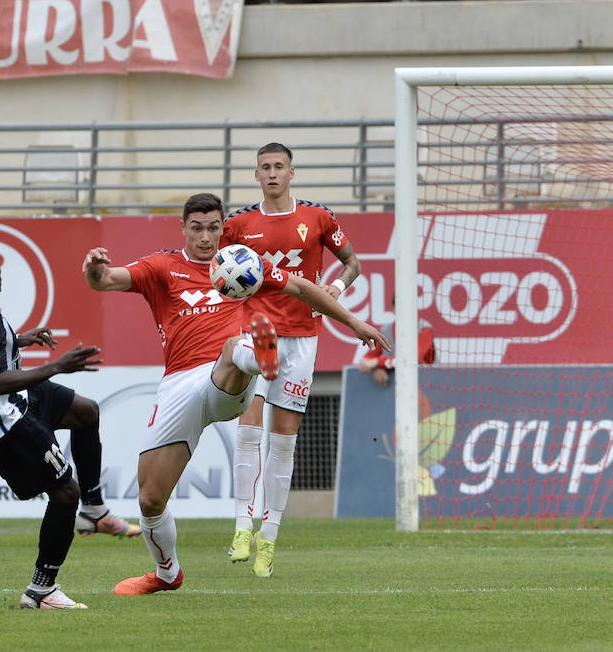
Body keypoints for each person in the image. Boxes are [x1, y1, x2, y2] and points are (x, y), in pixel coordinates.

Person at [83, 192, 387, 592]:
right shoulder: (162, 267)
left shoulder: (244, 263)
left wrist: (353, 322)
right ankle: (166, 573)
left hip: (227, 379)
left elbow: (301, 287)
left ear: (222, 227)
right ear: (183, 228)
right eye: (197, 228)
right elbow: (105, 280)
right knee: (150, 500)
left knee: (232, 349)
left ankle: (259, 357)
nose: (206, 237)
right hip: (179, 385)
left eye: (214, 228)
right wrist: (92, 268)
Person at [0, 233, 139, 610]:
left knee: (86, 412)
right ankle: (42, 589)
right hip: (5, 420)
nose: (1, 268)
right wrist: (58, 365)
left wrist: (19, 340)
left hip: (20, 398)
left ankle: (95, 509)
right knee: (65, 494)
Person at [219, 143, 361, 578]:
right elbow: (219, 277)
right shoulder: (238, 224)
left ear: (292, 172)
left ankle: (270, 536)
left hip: (302, 337)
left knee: (283, 440)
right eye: (265, 167)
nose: (273, 173)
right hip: (256, 328)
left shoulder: (318, 217)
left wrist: (335, 290)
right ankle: (242, 526)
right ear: (256, 174)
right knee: (248, 428)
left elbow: (351, 263)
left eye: (279, 166)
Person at [360, 294, 434, 388]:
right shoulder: (385, 331)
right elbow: (365, 360)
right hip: (394, 387)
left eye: (408, 306)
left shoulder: (424, 329)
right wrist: (376, 368)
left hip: (427, 385)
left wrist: (378, 362)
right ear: (393, 308)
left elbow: (412, 360)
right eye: (400, 306)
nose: (404, 310)